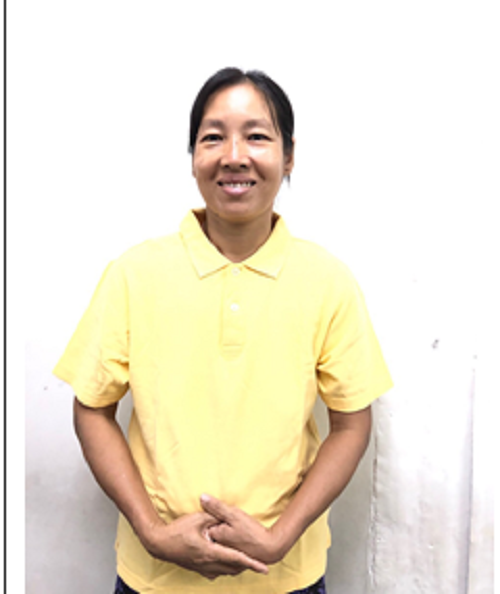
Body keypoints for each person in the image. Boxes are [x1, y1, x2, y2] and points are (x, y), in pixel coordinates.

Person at [53, 67, 393, 594]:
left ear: (289, 156)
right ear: (193, 156)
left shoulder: (328, 281)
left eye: (256, 136)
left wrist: (280, 538)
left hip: (287, 579)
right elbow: (92, 409)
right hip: (155, 580)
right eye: (213, 137)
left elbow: (351, 425)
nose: (234, 156)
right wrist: (151, 532)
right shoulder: (135, 274)